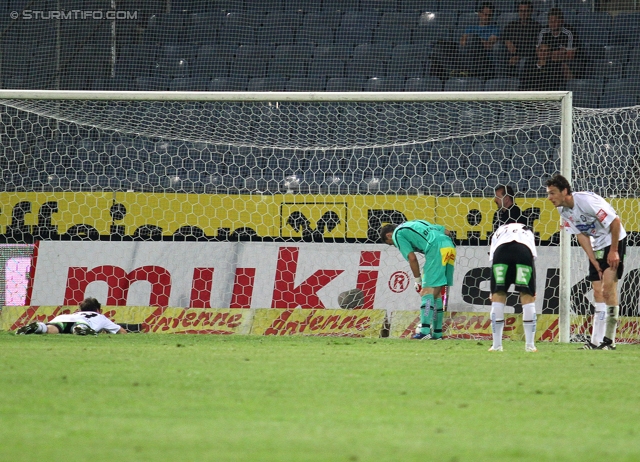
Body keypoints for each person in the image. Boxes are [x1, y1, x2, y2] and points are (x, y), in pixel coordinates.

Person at [546, 174, 626, 350]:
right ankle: (596, 341)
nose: (549, 198)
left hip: (614, 241)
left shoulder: (586, 201)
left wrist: (613, 251)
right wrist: (593, 260)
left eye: (552, 193)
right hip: (597, 244)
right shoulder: (562, 210)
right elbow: (580, 234)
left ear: (564, 191)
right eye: (548, 194)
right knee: (597, 292)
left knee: (607, 290)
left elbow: (615, 221)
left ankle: (610, 341)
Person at [381, 220, 456, 340]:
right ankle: (437, 333)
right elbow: (448, 232)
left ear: (388, 235)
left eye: (391, 244)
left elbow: (412, 258)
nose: (395, 245)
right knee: (436, 294)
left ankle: (424, 330)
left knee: (426, 292)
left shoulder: (397, 234)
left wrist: (418, 280)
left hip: (435, 248)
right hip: (449, 247)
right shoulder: (418, 223)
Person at [488, 223, 538, 352]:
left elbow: (493, 256)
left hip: (501, 251)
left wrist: (492, 291)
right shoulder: (528, 231)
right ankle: (530, 346)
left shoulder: (498, 231)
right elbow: (532, 256)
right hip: (523, 250)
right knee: (527, 296)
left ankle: (496, 345)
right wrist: (533, 290)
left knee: (498, 294)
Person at [15, 297, 127, 335]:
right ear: (98, 310)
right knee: (80, 325)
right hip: (82, 322)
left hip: (63, 318)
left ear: (80, 309)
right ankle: (80, 329)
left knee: (51, 329)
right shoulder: (100, 316)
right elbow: (121, 331)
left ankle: (38, 327)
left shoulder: (76, 313)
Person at [529, 7, 577, 91]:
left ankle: (568, 90)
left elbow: (570, 56)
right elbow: (538, 52)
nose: (552, 24)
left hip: (562, 62)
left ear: (561, 21)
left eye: (555, 21)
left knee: (563, 65)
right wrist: (557, 53)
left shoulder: (568, 32)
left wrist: (549, 54)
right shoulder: (543, 32)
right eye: (551, 21)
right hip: (547, 61)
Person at [459, 2, 501, 79]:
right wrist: (482, 41)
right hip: (469, 56)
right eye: (485, 14)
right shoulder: (470, 28)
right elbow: (462, 43)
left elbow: (489, 46)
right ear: (479, 14)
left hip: (485, 59)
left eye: (489, 15)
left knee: (472, 38)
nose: (487, 17)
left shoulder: (495, 29)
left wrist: (475, 40)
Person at [502, 0, 542, 78]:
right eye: (521, 11)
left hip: (528, 56)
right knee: (499, 49)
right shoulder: (511, 25)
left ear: (531, 11)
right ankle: (501, 77)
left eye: (526, 11)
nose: (523, 14)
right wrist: (507, 41)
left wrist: (519, 56)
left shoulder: (537, 27)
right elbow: (503, 37)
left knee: (524, 62)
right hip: (510, 55)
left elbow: (535, 47)